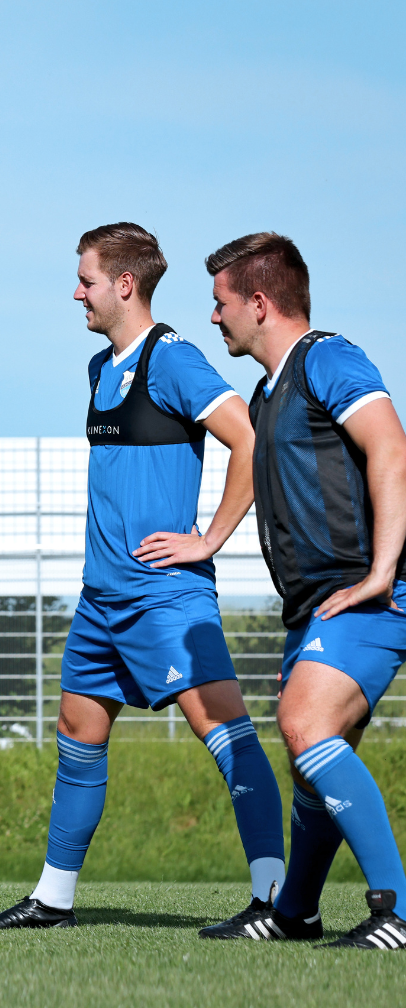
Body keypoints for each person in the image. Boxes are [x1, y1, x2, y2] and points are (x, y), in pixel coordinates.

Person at [0, 223, 285, 933]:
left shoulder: (172, 358)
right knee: (77, 731)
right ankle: (52, 900)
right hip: (101, 599)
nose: (75, 291)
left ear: (124, 284)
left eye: (85, 279)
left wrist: (207, 541)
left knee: (224, 730)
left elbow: (248, 438)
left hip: (165, 597)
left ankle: (274, 899)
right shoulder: (96, 369)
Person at [205, 232, 406, 948]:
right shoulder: (268, 392)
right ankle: (295, 913)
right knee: (309, 760)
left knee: (305, 726)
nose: (214, 317)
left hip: (366, 593)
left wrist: (382, 573)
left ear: (259, 304)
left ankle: (398, 911)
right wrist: (208, 541)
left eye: (221, 303)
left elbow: (389, 444)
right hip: (314, 605)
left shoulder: (328, 358)